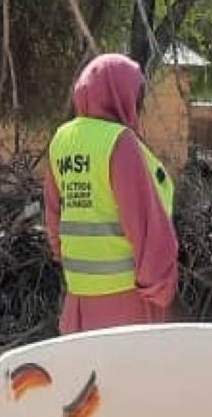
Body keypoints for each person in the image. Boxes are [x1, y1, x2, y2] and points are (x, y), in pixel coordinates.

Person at [43, 54, 179, 334]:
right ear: (121, 93)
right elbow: (143, 223)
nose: (139, 103)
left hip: (78, 298)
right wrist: (161, 289)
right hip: (128, 301)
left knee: (88, 377)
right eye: (137, 94)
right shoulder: (120, 141)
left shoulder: (62, 139)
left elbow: (54, 216)